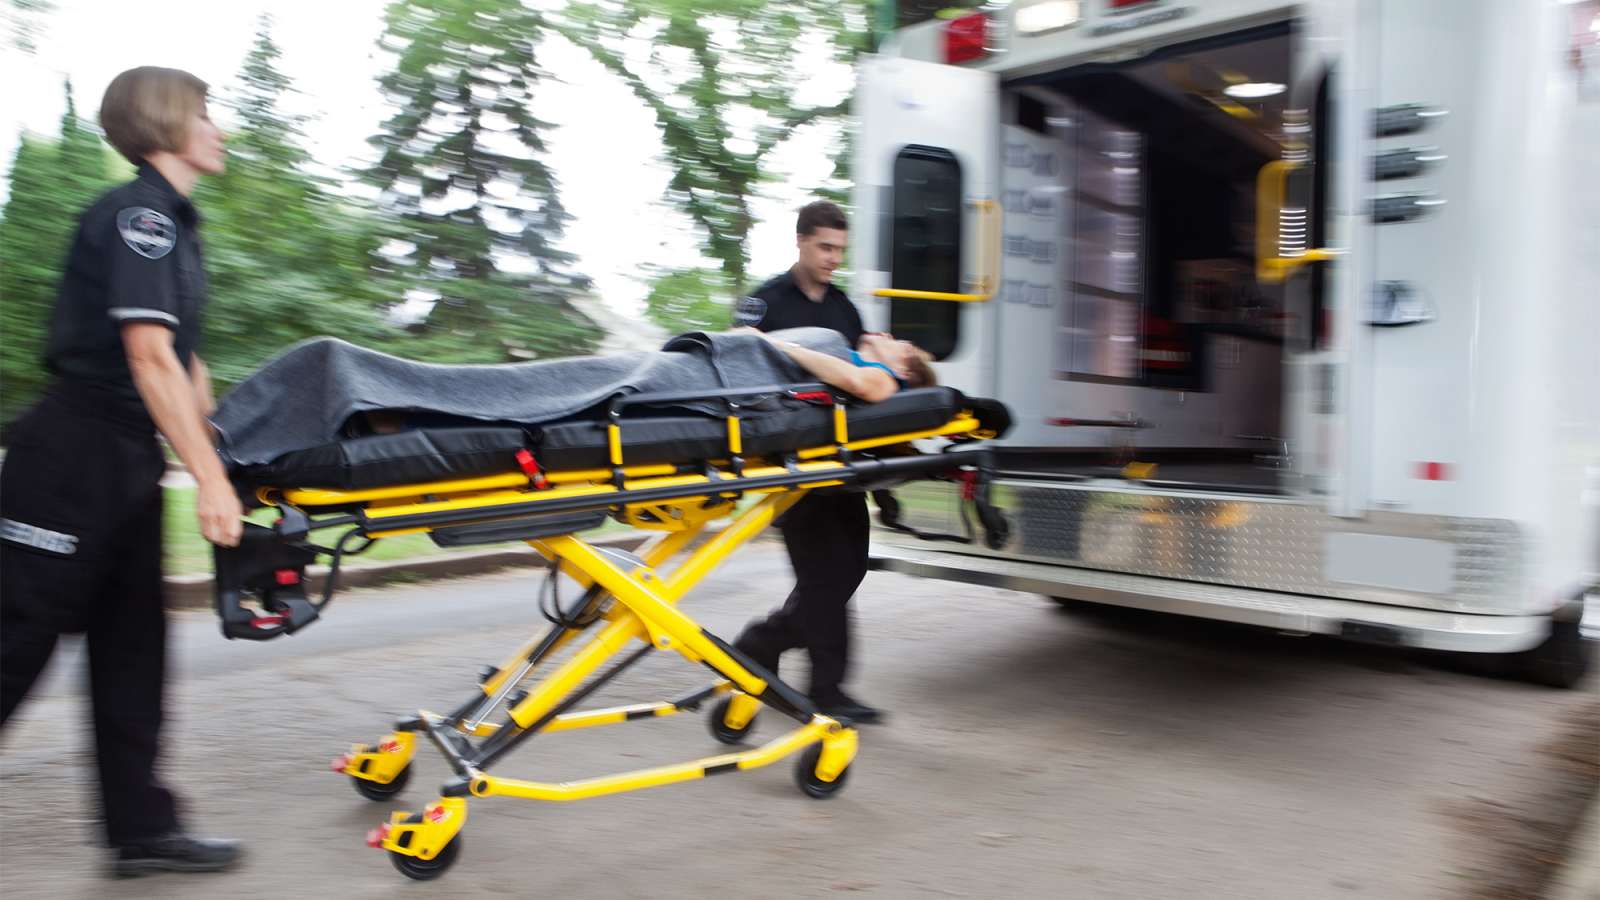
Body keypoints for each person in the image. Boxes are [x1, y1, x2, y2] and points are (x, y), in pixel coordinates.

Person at [0, 66, 244, 877]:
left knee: (133, 646)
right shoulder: (139, 215)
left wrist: (221, 450)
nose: (220, 128)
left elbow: (183, 358)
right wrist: (206, 476)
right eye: (206, 114)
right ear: (167, 122)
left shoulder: (177, 224)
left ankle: (141, 830)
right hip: (71, 456)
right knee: (14, 644)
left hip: (128, 456)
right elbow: (145, 355)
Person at [734, 200, 905, 725]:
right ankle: (810, 680)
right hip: (794, 468)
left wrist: (882, 480)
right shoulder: (764, 304)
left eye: (840, 250)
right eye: (825, 247)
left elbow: (862, 385)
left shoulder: (845, 310)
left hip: (845, 465)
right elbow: (742, 375)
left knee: (846, 572)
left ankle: (767, 650)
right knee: (823, 580)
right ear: (801, 242)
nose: (834, 259)